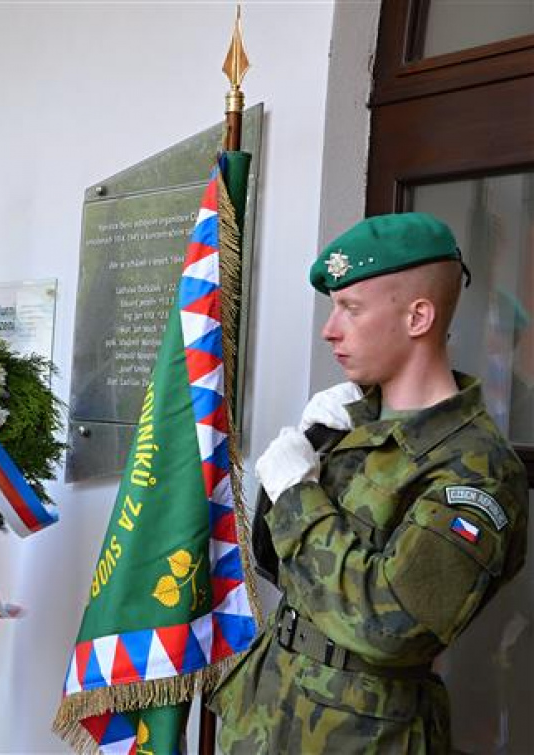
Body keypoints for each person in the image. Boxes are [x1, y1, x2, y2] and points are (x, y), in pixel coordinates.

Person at [211, 212, 528, 753]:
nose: (329, 328)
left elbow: (391, 626)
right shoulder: (353, 424)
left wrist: (298, 494)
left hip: (362, 735)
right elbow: (276, 561)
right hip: (269, 716)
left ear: (418, 317)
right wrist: (306, 452)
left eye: (351, 308)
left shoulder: (474, 469)